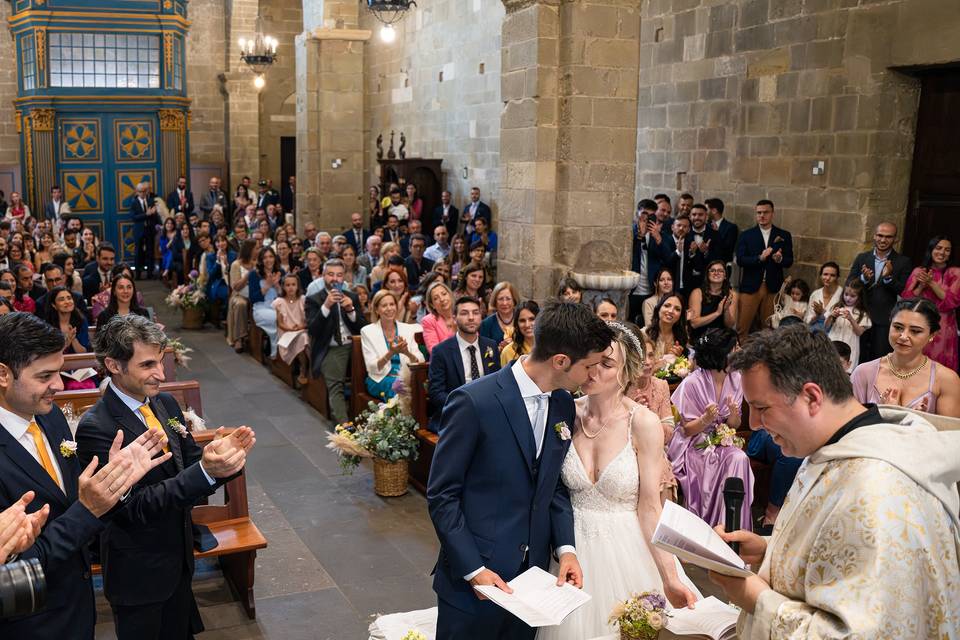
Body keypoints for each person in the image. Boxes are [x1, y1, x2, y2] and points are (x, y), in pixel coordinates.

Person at [711, 324, 960, 638]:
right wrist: (767, 549)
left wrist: (755, 598)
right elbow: (842, 553)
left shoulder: (878, 492)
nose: (753, 423)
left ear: (813, 397)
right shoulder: (837, 445)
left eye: (761, 408)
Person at [428, 301, 613, 639]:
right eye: (589, 366)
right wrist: (473, 569)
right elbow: (443, 496)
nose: (593, 375)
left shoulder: (562, 403)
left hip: (533, 582)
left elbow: (552, 484)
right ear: (560, 361)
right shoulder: (473, 402)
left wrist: (566, 550)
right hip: (474, 582)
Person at [76, 315, 255, 639]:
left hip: (179, 557)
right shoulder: (98, 428)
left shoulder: (165, 403)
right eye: (147, 365)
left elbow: (188, 466)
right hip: (139, 571)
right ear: (114, 365)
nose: (160, 374)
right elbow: (133, 507)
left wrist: (221, 459)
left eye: (160, 362)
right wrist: (204, 471)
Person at [0, 312, 170, 640]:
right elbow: (12, 569)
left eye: (60, 372)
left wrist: (115, 482)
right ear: (4, 374)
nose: (59, 386)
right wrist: (88, 509)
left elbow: (75, 501)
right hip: (29, 622)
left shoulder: (50, 421)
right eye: (45, 376)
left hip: (78, 605)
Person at [539, 323, 699, 640]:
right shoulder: (564, 412)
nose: (593, 370)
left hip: (626, 549)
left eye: (607, 364)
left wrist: (669, 575)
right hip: (571, 547)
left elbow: (650, 507)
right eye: (590, 359)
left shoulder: (643, 423)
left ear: (626, 372)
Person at [668, 327, 753, 530]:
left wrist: (733, 414)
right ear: (720, 354)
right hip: (693, 444)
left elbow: (734, 425)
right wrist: (706, 419)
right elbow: (687, 430)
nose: (739, 351)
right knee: (707, 463)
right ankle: (706, 527)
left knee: (739, 458)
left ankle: (732, 527)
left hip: (722, 441)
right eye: (735, 348)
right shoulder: (692, 383)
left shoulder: (737, 379)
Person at [851, 299, 960, 416]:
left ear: (932, 335)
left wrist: (921, 421)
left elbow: (949, 432)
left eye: (915, 331)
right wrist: (882, 414)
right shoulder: (863, 372)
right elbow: (849, 428)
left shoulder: (946, 380)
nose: (903, 336)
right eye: (898, 327)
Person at [427, 296, 500, 432]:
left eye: (475, 313)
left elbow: (497, 383)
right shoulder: (442, 351)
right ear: (454, 318)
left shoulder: (490, 346)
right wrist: (464, 406)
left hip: (487, 412)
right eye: (464, 313)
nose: (471, 317)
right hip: (455, 414)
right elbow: (436, 393)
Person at [305, 259, 365, 423]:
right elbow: (312, 330)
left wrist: (351, 310)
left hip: (355, 345)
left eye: (339, 275)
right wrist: (326, 306)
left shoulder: (351, 296)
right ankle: (344, 427)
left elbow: (363, 328)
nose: (335, 279)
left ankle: (368, 421)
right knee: (336, 385)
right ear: (323, 275)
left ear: (343, 277)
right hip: (331, 348)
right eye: (330, 274)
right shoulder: (314, 299)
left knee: (371, 376)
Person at [849, 222, 912, 362]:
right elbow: (849, 284)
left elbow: (904, 291)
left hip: (885, 318)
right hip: (860, 316)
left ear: (895, 239)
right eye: (880, 235)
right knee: (857, 358)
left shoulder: (903, 262)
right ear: (874, 236)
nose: (883, 240)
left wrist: (889, 277)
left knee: (879, 359)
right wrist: (863, 279)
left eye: (888, 237)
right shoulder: (862, 258)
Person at [734, 199, 793, 341]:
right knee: (742, 326)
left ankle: (763, 358)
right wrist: (759, 258)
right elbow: (740, 260)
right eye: (759, 212)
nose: (762, 215)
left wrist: (779, 260)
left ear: (772, 213)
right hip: (750, 285)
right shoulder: (746, 235)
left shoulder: (784, 235)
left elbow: (789, 261)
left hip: (773, 286)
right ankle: (740, 356)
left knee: (768, 327)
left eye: (765, 212)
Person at [902, 235, 959, 370]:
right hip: (919, 322)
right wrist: (921, 286)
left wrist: (931, 283)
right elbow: (907, 300)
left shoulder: (955, 273)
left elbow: (951, 302)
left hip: (943, 326)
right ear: (931, 249)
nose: (942, 252)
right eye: (938, 248)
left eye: (947, 250)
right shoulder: (919, 271)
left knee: (938, 366)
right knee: (916, 362)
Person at [361, 290, 424, 400]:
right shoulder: (368, 331)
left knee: (419, 387)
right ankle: (403, 417)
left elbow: (420, 360)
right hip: (380, 378)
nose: (389, 308)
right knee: (401, 388)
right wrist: (391, 353)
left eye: (392, 304)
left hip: (406, 377)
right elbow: (372, 368)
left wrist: (407, 353)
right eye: (384, 305)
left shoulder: (408, 329)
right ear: (376, 310)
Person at [824, 278, 871, 371]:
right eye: (846, 294)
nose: (848, 298)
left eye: (853, 296)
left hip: (850, 343)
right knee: (829, 366)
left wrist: (851, 319)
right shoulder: (836, 306)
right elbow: (826, 326)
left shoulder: (862, 313)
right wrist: (831, 316)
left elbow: (859, 332)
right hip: (834, 340)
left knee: (845, 370)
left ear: (859, 297)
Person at [273, 273, 311, 385]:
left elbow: (307, 320)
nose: (291, 287)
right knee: (303, 339)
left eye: (293, 284)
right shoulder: (280, 302)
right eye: (288, 285)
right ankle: (303, 369)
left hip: (302, 329)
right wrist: (290, 329)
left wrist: (301, 327)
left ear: (298, 286)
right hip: (287, 333)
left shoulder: (303, 300)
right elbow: (280, 323)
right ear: (283, 287)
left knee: (305, 337)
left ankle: (313, 366)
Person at [688, 260, 737, 341]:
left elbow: (730, 325)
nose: (716, 273)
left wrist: (726, 310)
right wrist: (717, 313)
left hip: (721, 338)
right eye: (713, 270)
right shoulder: (697, 293)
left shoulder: (731, 294)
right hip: (701, 337)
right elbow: (694, 323)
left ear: (725, 276)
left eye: (720, 271)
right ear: (708, 275)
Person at [249, 246, 283, 358]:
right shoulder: (254, 274)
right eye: (265, 258)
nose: (268, 260)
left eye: (271, 256)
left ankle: (283, 352)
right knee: (278, 320)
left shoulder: (280, 272)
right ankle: (275, 352)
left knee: (288, 318)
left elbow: (286, 296)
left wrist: (277, 285)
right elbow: (253, 298)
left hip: (278, 306)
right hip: (261, 308)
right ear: (261, 260)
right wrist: (267, 285)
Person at [641, 293, 688, 371]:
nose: (671, 311)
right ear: (658, 309)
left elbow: (682, 366)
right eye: (667, 306)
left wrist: (678, 358)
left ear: (681, 316)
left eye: (677, 309)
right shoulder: (644, 334)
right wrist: (665, 361)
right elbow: (638, 370)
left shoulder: (681, 336)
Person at [43, 286, 90, 354]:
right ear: (54, 305)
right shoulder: (47, 325)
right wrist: (66, 344)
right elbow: (48, 355)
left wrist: (73, 339)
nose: (67, 302)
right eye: (61, 299)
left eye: (69, 298)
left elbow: (83, 353)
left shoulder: (81, 321)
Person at [130, 182, 159, 281]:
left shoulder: (150, 201)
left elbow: (154, 216)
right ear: (137, 192)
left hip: (149, 230)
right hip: (139, 231)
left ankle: (150, 273)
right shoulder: (134, 202)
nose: (143, 193)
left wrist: (154, 214)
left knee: (150, 252)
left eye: (144, 191)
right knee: (138, 252)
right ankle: (138, 274)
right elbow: (134, 217)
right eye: (140, 191)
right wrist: (146, 214)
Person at [205, 234, 235, 326]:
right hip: (218, 283)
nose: (221, 243)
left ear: (226, 242)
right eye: (218, 242)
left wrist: (227, 264)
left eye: (223, 241)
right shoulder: (210, 257)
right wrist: (218, 261)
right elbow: (212, 275)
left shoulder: (233, 255)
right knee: (227, 294)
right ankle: (226, 317)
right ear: (214, 244)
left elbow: (235, 271)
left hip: (232, 281)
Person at [479, 281, 518, 350]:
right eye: (500, 299)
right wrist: (499, 349)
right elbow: (483, 352)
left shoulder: (522, 319)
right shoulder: (486, 324)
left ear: (514, 300)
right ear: (495, 301)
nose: (504, 303)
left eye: (508, 299)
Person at [804, 261, 842, 330]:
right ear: (821, 276)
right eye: (825, 274)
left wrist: (822, 312)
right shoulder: (815, 294)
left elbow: (841, 322)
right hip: (815, 330)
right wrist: (816, 316)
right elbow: (807, 319)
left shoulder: (842, 294)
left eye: (832, 275)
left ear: (837, 277)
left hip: (834, 332)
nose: (828, 278)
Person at [500, 300, 539, 367]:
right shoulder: (508, 351)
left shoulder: (550, 348)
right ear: (517, 324)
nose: (527, 325)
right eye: (522, 320)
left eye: (532, 319)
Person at [420, 281, 456, 353]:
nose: (442, 299)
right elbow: (434, 350)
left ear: (450, 295)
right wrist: (454, 333)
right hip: (443, 362)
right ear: (432, 305)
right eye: (436, 298)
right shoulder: (428, 321)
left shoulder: (462, 313)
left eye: (444, 294)